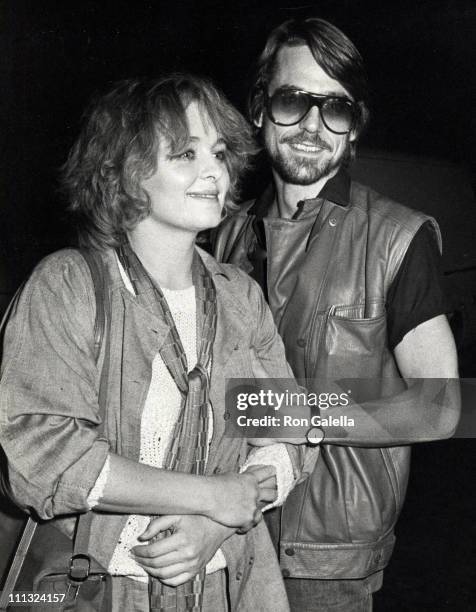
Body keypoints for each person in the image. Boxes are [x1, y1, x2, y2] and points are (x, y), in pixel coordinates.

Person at [0, 74, 311, 611]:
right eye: (186, 154)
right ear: (123, 172)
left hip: (227, 588)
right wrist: (214, 497)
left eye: (218, 153)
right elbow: (44, 458)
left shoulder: (240, 297)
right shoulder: (69, 286)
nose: (214, 170)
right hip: (99, 590)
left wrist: (212, 527)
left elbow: (288, 434)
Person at [213, 18, 460, 612]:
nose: (313, 126)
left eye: (336, 108)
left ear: (355, 128)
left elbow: (442, 406)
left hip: (326, 559)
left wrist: (300, 416)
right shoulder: (223, 236)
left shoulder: (396, 237)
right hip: (222, 532)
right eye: (294, 100)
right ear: (259, 108)